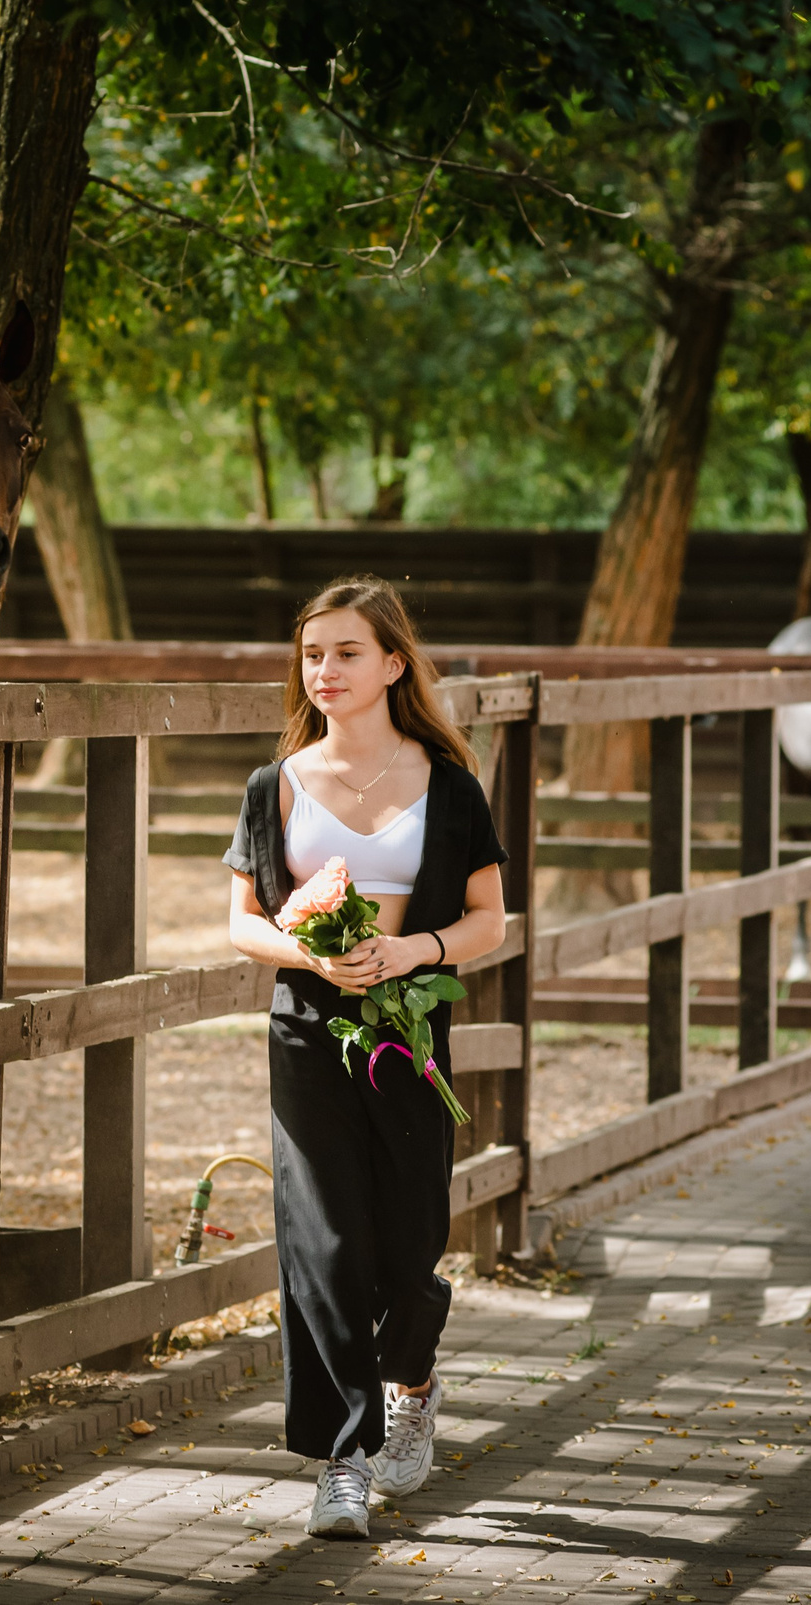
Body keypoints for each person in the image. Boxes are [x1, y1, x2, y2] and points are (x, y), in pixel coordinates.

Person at [223, 576, 508, 1540]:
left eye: (346, 652)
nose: (326, 670)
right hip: (308, 1030)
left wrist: (411, 951)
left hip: (411, 1035)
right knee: (325, 1243)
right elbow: (241, 921)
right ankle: (342, 1459)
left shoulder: (450, 782)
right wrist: (312, 952)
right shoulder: (278, 785)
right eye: (313, 654)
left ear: (394, 664)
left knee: (410, 1237)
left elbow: (487, 921)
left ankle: (411, 1384)